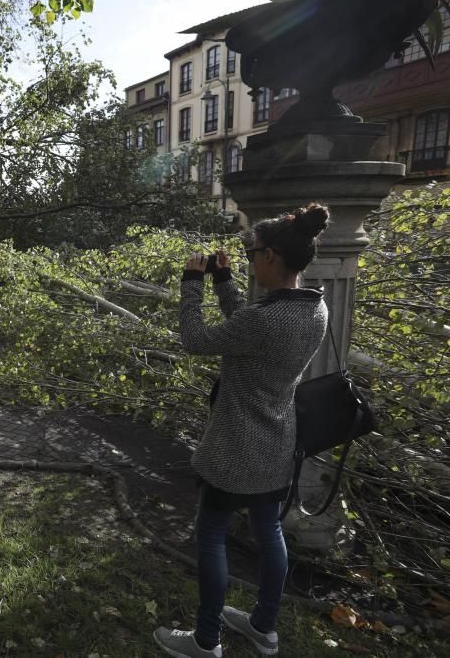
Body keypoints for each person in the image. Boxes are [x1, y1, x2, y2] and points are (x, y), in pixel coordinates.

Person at [153, 203, 331, 658]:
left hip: (235, 444)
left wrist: (191, 283)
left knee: (211, 534)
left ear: (271, 256)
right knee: (269, 531)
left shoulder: (266, 318)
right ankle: (263, 628)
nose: (250, 260)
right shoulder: (313, 308)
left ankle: (206, 641)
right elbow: (247, 329)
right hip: (277, 441)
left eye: (252, 253)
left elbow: (198, 340)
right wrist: (224, 282)